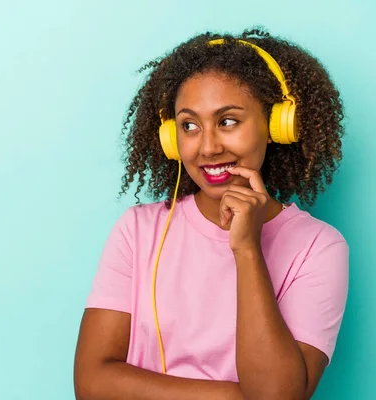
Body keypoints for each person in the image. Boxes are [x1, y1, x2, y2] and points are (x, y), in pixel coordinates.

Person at [74, 27, 349, 400]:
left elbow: (276, 397)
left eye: (228, 121)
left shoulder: (318, 247)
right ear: (172, 139)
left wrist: (247, 249)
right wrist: (236, 396)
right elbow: (91, 383)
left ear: (275, 126)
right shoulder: (138, 231)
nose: (207, 147)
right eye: (189, 125)